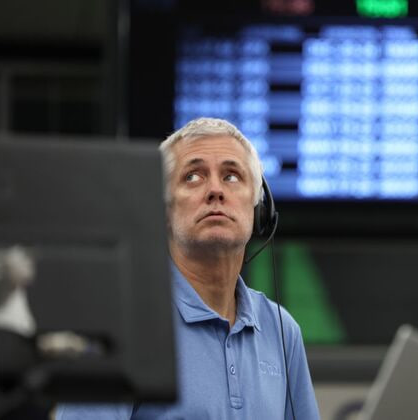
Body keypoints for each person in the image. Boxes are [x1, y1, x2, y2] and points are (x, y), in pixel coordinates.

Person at [55, 118, 320, 419]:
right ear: (163, 210)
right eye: (193, 176)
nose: (215, 190)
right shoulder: (117, 323)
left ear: (258, 207)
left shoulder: (282, 330)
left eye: (232, 176)